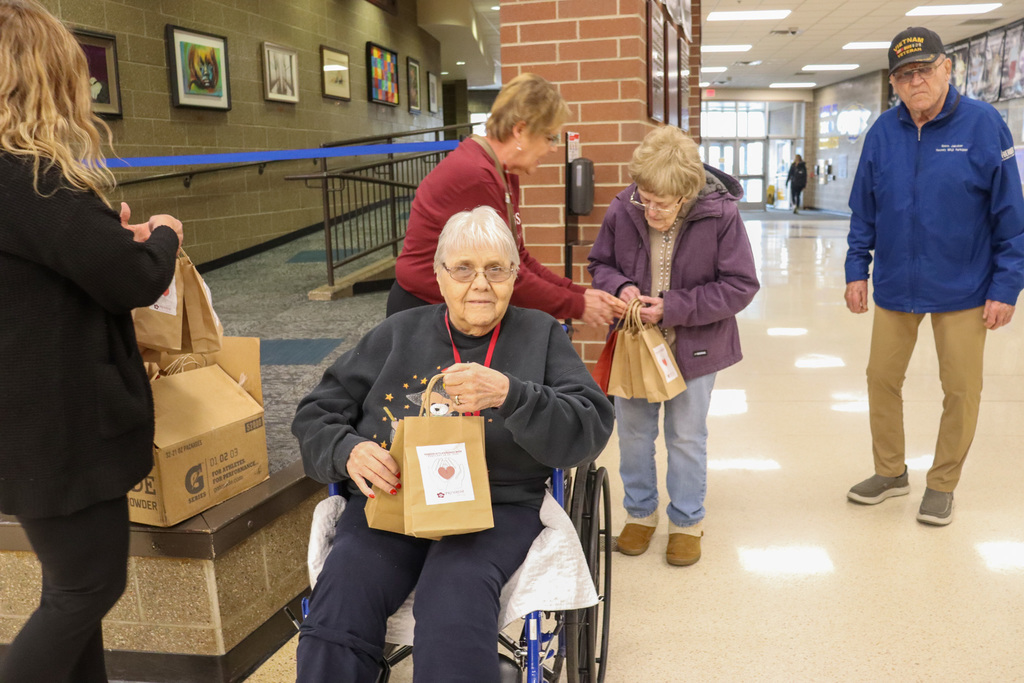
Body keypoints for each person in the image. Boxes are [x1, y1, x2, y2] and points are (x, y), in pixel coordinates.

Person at [293, 205, 614, 682]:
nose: (480, 284)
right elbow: (315, 413)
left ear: (514, 276)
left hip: (497, 507)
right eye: (463, 269)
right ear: (440, 276)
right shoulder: (398, 333)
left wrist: (512, 394)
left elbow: (590, 424)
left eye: (495, 269)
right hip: (394, 501)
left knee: (454, 597)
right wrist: (347, 450)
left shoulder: (540, 334)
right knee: (345, 589)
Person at [0, 2, 183, 681]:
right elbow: (130, 277)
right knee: (86, 588)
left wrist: (108, 237)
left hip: (26, 418)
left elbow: (63, 262)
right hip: (56, 424)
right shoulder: (30, 176)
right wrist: (162, 236)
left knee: (73, 586)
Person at [845, 27, 1024, 526]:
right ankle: (890, 472)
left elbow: (1011, 216)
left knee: (961, 389)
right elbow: (864, 210)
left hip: (965, 287)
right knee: (881, 379)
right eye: (904, 75)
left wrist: (1006, 286)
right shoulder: (883, 132)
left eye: (924, 70)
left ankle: (942, 483)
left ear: (947, 68)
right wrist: (857, 269)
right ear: (894, 83)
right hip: (896, 285)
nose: (915, 81)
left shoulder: (984, 125)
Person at [588, 126, 759, 566]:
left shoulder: (721, 214)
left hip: (696, 346)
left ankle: (686, 521)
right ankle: (640, 514)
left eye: (661, 203)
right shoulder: (623, 207)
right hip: (635, 346)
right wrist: (620, 286)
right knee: (633, 433)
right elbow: (600, 263)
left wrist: (672, 307)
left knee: (685, 436)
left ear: (687, 193)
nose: (650, 210)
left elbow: (740, 286)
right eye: (644, 198)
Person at [388, 72, 624, 326]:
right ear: (520, 130)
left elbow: (517, 259)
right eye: (549, 137)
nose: (554, 148)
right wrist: (578, 305)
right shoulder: (476, 175)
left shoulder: (502, 171)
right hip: (424, 312)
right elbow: (499, 274)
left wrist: (579, 293)